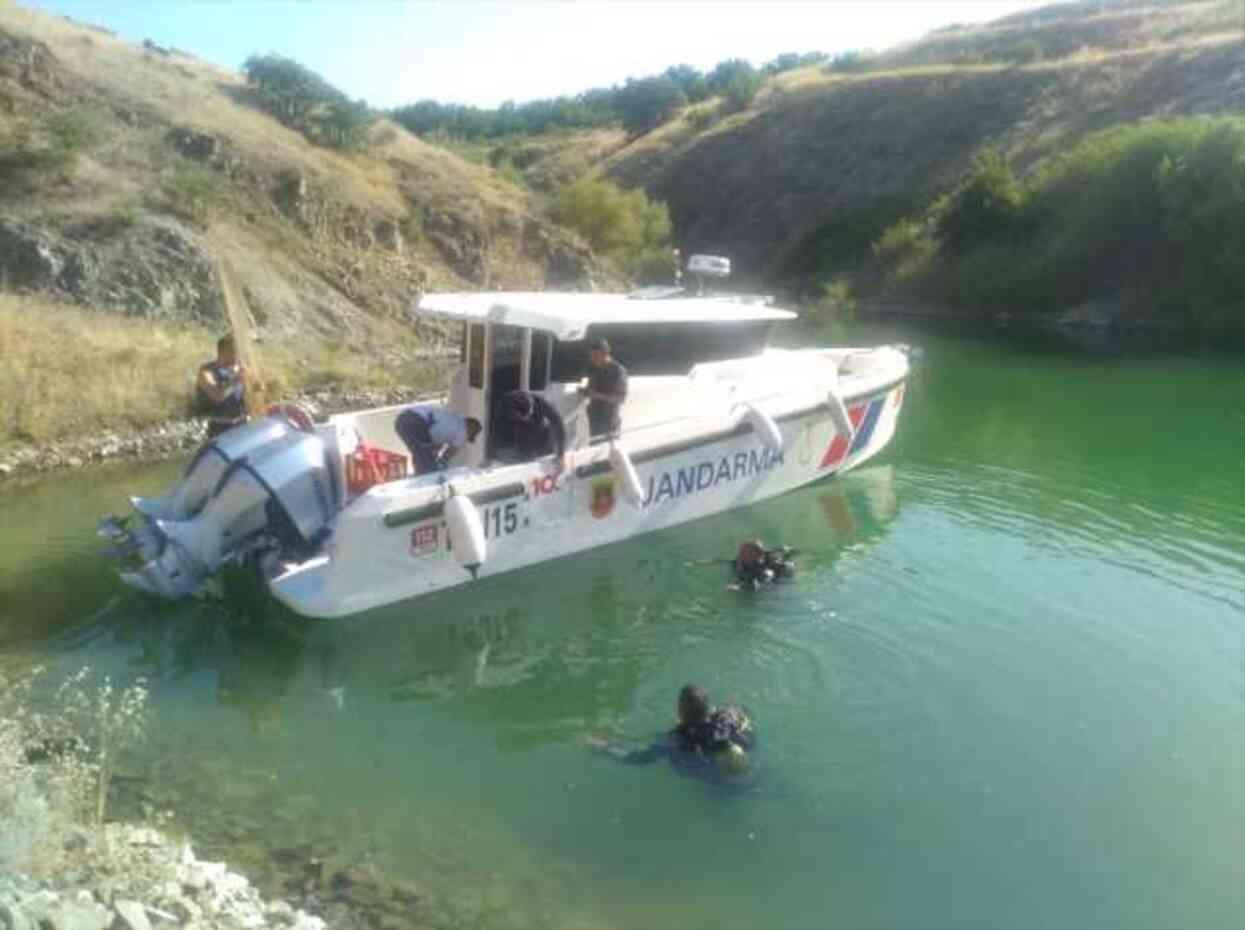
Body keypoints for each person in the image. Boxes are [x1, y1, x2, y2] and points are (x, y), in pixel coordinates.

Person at [590, 685, 756, 780]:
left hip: (714, 780)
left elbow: (637, 758)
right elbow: (744, 714)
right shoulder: (728, 716)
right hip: (739, 769)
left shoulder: (676, 738)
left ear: (680, 711)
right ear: (709, 707)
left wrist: (605, 747)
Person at [394, 404, 482, 474]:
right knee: (426, 461)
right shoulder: (463, 431)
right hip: (416, 421)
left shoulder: (454, 419)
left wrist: (435, 456)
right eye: (470, 435)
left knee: (421, 454)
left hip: (403, 419)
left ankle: (421, 478)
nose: (466, 438)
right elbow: (449, 453)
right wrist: (441, 464)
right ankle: (426, 486)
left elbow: (436, 444)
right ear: (471, 428)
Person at [196, 334, 248, 438]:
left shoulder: (240, 369)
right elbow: (217, 396)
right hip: (219, 428)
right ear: (223, 352)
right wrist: (236, 380)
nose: (238, 356)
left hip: (243, 424)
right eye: (234, 352)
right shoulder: (206, 372)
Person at [501, 390, 567, 469]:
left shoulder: (541, 402)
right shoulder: (507, 403)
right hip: (522, 437)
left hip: (541, 435)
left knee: (546, 436)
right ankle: (524, 454)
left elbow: (558, 424)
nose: (528, 418)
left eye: (529, 415)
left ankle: (545, 451)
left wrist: (560, 454)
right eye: (524, 417)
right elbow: (495, 426)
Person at [579, 337, 627, 442]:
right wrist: (584, 391)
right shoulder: (592, 369)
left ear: (606, 353)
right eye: (591, 356)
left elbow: (620, 398)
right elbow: (587, 386)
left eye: (596, 356)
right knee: (595, 450)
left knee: (608, 452)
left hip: (609, 421)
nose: (593, 359)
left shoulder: (618, 371)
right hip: (594, 419)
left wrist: (598, 395)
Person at [731, 539, 797, 591]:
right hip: (763, 576)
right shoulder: (747, 560)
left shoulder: (765, 556)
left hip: (768, 575)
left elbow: (772, 553)